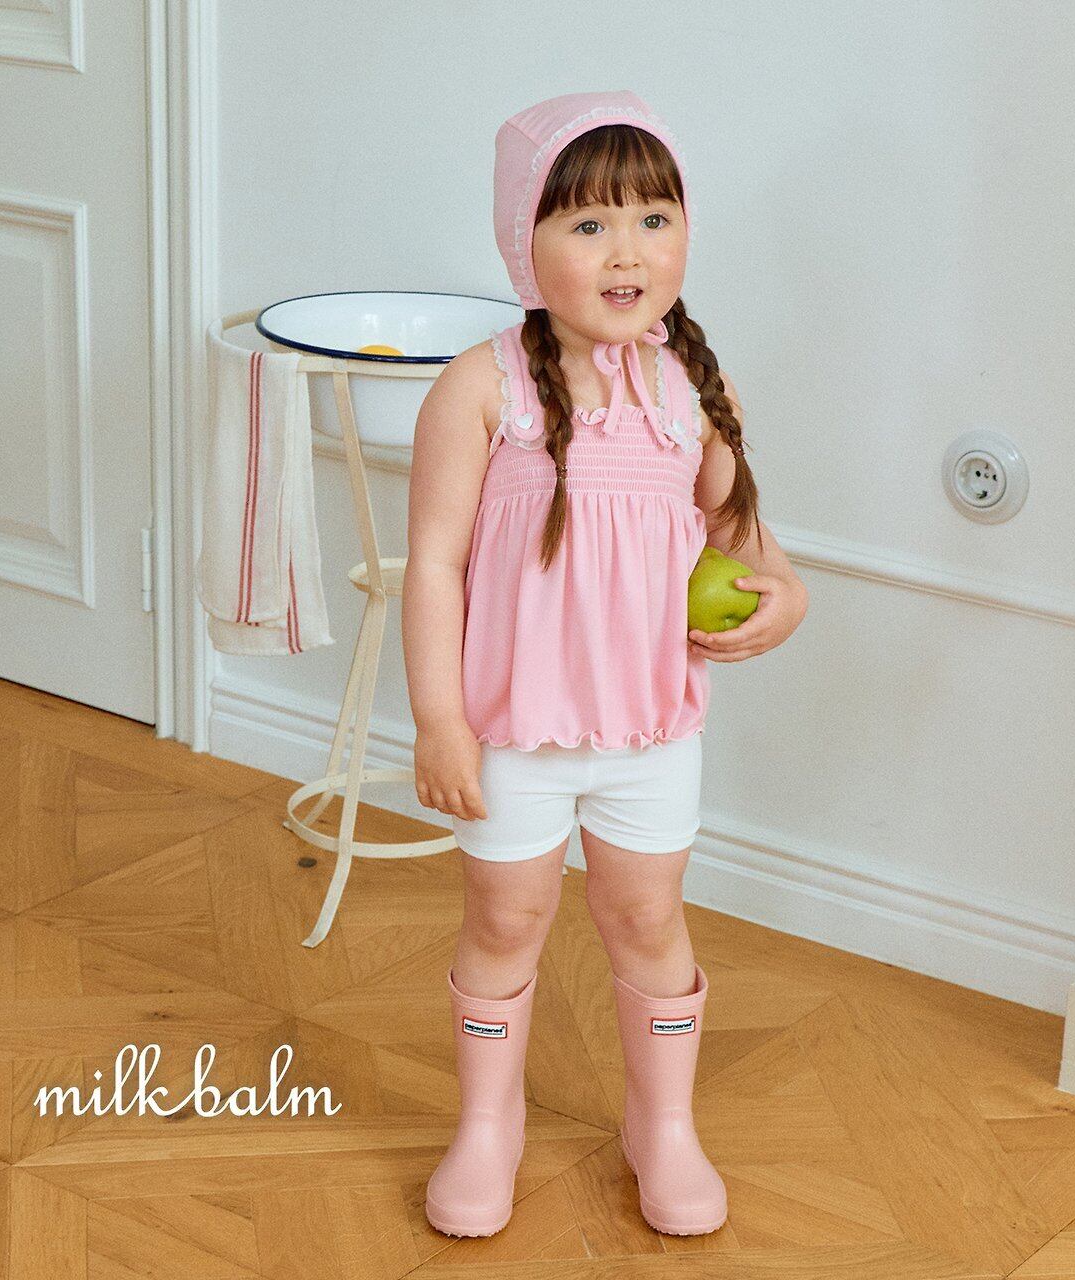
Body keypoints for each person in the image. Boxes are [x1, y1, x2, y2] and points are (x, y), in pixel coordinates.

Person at [402, 89, 808, 1240]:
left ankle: (660, 1124)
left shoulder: (689, 391)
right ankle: (488, 1124)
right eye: (587, 223)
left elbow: (739, 533)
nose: (626, 250)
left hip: (648, 731)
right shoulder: (482, 389)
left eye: (651, 218)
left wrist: (787, 592)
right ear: (522, 241)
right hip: (509, 730)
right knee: (503, 918)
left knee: (645, 916)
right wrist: (438, 720)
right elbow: (432, 565)